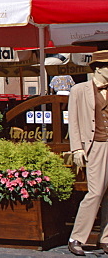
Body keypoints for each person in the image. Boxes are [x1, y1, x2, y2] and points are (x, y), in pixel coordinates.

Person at [67, 50, 108, 255]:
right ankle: (77, 237)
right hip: (95, 145)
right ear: (98, 68)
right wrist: (76, 148)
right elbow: (73, 120)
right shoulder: (80, 90)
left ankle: (106, 239)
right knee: (96, 192)